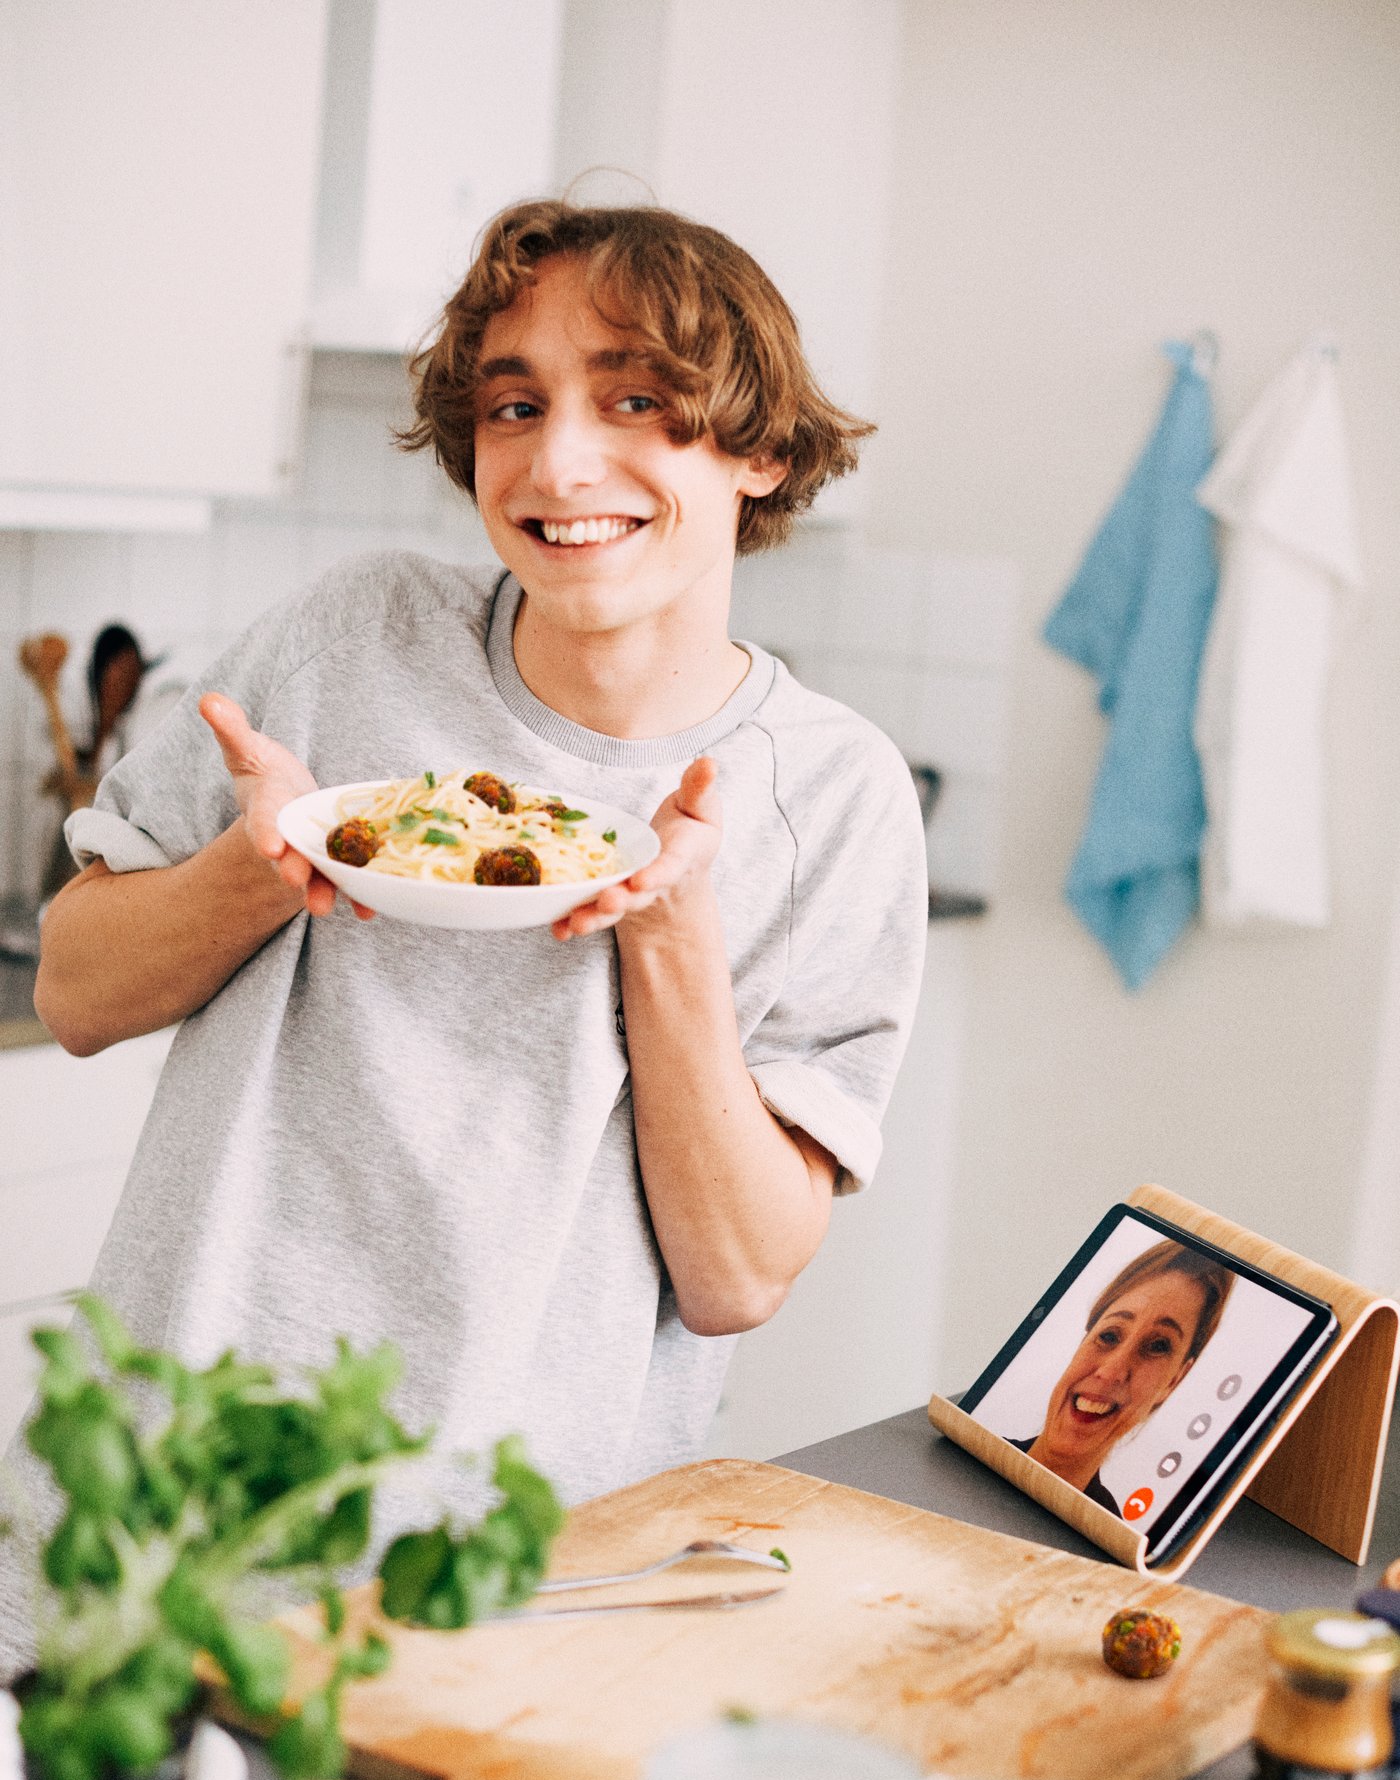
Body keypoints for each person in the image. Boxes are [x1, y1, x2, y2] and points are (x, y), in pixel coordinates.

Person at [24, 200, 928, 1559]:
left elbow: (737, 1276)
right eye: (516, 406)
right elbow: (74, 991)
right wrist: (257, 872)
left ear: (758, 447)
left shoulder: (831, 798)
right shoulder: (353, 639)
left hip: (515, 1556)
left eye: (634, 400)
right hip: (168, 1495)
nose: (562, 461)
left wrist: (668, 922)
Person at [1010, 1241, 1234, 1514]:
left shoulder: (1112, 1547)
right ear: (1085, 1341)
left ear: (1174, 1381)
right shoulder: (966, 1453)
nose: (1110, 1372)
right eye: (1109, 1335)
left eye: (1158, 1346)